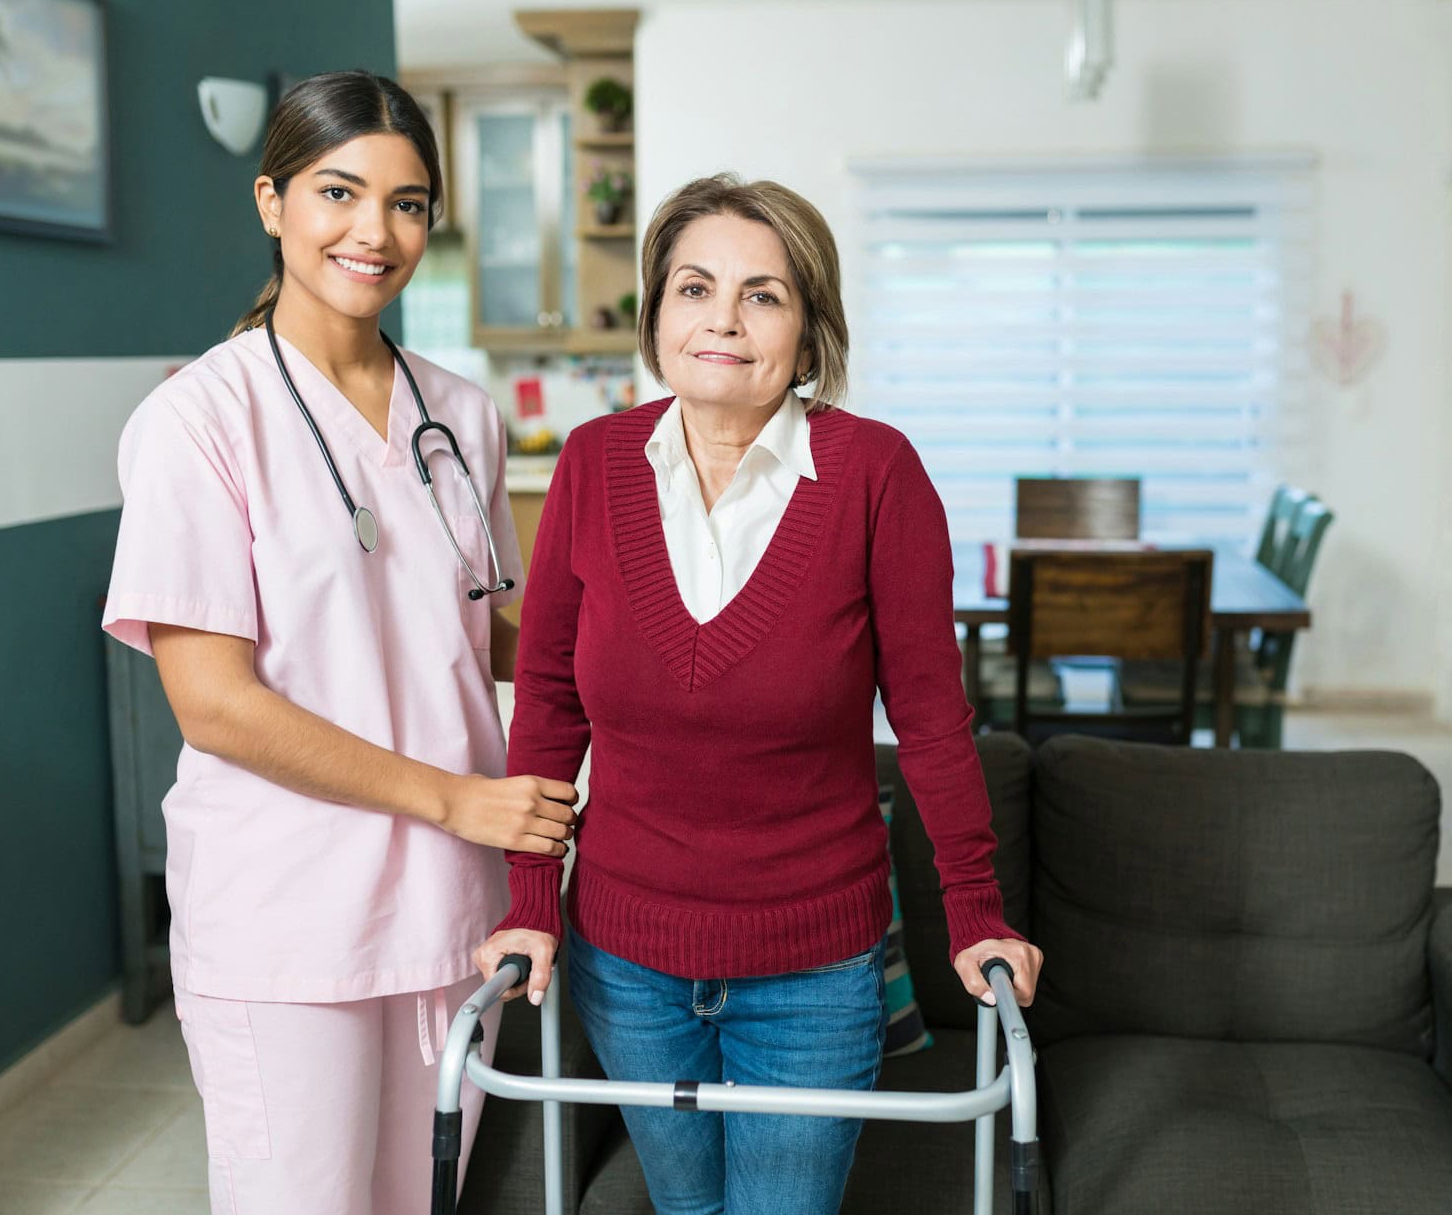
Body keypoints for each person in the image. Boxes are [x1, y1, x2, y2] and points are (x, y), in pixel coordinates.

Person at [476, 173, 1043, 1214]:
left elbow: (930, 720)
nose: (723, 321)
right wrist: (528, 895)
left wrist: (977, 912)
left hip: (814, 966)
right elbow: (550, 697)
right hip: (627, 962)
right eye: (694, 288)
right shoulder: (594, 467)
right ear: (654, 315)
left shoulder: (878, 474)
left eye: (763, 295)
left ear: (809, 331)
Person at [101, 70, 576, 1215]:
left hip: (450, 910)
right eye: (337, 192)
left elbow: (476, 624)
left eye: (408, 204)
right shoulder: (197, 420)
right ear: (272, 203)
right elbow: (212, 701)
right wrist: (463, 800)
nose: (375, 232)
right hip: (290, 912)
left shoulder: (459, 412)